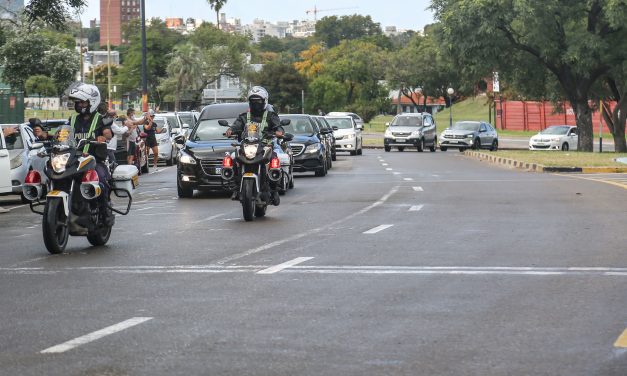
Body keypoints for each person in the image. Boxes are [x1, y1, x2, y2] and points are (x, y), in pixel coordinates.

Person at [225, 86, 284, 204]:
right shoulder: (244, 116)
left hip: (265, 146)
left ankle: (274, 189)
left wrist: (279, 132)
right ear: (249, 102)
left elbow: (278, 127)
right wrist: (230, 130)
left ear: (264, 101)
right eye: (253, 101)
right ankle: (235, 187)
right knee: (232, 158)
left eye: (258, 101)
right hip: (247, 145)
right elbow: (236, 125)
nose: (256, 104)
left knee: (274, 159)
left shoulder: (271, 116)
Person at [67, 83, 114, 225]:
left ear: (91, 102)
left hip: (94, 161)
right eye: (77, 102)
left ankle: (105, 213)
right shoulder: (73, 119)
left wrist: (104, 136)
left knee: (101, 181)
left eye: (82, 102)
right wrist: (50, 136)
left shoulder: (100, 118)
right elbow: (64, 132)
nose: (79, 105)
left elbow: (108, 132)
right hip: (74, 161)